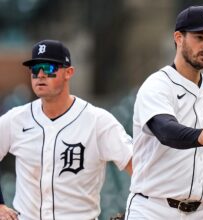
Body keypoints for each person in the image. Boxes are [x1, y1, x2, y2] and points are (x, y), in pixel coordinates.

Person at [0, 39, 133, 220]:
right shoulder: (16, 119)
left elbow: (139, 167)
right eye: (34, 69)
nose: (40, 75)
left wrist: (138, 211)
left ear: (69, 72)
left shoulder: (97, 121)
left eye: (48, 68)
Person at [125, 5, 203, 220]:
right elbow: (165, 131)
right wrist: (200, 135)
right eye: (199, 37)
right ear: (178, 38)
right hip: (154, 209)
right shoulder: (157, 85)